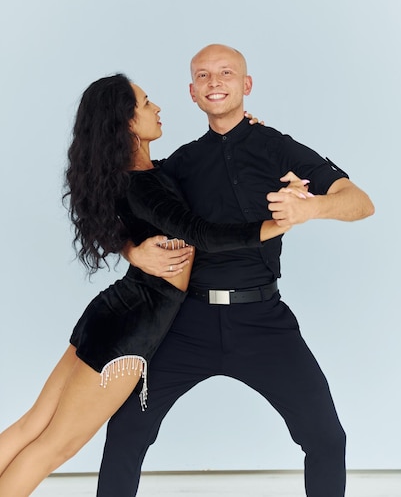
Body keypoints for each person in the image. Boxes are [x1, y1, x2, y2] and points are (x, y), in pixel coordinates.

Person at [96, 44, 375, 497]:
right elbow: (119, 201)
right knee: (126, 433)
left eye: (226, 73)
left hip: (264, 321)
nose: (215, 82)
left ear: (246, 86)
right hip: (186, 323)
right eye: (203, 76)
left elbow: (361, 202)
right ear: (192, 92)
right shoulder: (181, 164)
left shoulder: (278, 148)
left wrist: (312, 209)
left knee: (327, 438)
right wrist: (131, 250)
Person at [0, 74, 295, 497]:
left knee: (34, 425)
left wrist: (248, 136)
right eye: (146, 103)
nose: (157, 108)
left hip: (112, 313)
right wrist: (281, 222)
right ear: (127, 123)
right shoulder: (147, 185)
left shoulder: (138, 175)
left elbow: (198, 172)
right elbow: (205, 234)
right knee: (53, 447)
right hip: (128, 335)